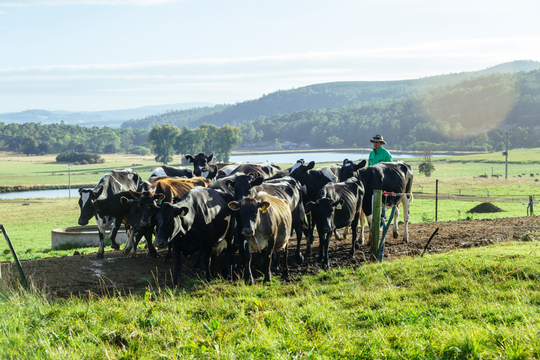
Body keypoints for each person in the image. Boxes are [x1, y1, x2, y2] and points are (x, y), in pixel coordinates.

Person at [368, 134, 392, 223]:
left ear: (381, 143)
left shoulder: (386, 154)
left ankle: (382, 220)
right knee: (371, 200)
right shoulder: (371, 153)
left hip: (382, 182)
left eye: (377, 142)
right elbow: (368, 167)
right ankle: (373, 220)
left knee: (382, 201)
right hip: (371, 181)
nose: (375, 144)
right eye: (374, 142)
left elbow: (390, 169)